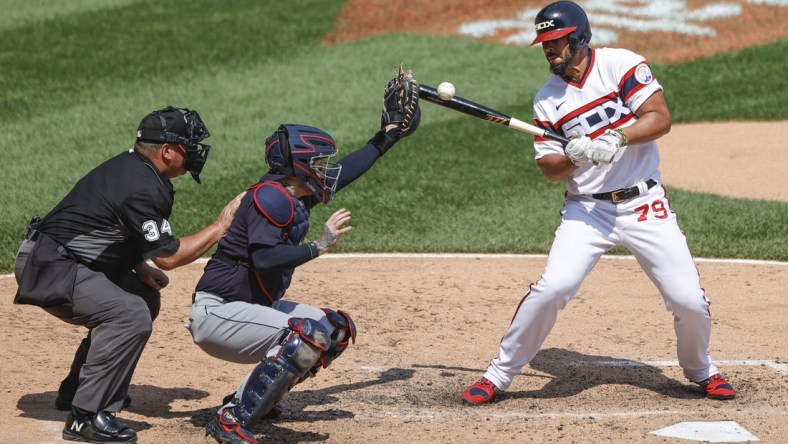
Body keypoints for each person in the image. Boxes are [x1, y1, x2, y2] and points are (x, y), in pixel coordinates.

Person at [462, 1, 736, 406]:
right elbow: (550, 168)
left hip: (644, 203)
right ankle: (498, 374)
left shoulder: (620, 65)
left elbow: (659, 116)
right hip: (588, 210)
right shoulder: (547, 100)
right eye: (544, 45)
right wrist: (577, 154)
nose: (549, 51)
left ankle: (700, 369)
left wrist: (616, 137)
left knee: (688, 301)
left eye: (556, 42)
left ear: (579, 37)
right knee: (553, 288)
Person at [187, 69, 420, 444]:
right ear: (299, 165)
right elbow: (263, 259)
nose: (326, 168)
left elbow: (348, 171)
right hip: (219, 314)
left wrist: (388, 136)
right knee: (305, 336)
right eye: (319, 162)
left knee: (334, 329)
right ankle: (233, 417)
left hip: (247, 309)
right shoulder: (270, 197)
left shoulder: (295, 191)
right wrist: (319, 246)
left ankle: (263, 398)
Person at [13, 106, 244, 443]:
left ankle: (76, 388)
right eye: (188, 146)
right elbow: (169, 257)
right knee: (129, 314)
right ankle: (84, 417)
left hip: (58, 258)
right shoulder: (142, 185)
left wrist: (138, 267)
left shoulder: (138, 171)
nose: (194, 152)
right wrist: (221, 226)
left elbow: (112, 227)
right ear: (166, 151)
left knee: (142, 295)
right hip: (51, 266)